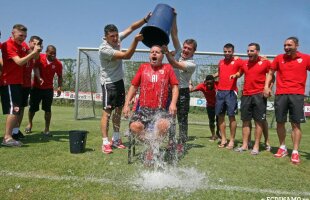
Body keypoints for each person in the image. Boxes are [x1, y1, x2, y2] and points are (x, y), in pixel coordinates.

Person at [99, 13, 151, 154]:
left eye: (116, 35)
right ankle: (105, 142)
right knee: (107, 113)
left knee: (118, 111)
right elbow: (127, 56)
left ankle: (116, 139)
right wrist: (135, 41)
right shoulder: (104, 49)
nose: (116, 38)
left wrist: (145, 20)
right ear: (106, 37)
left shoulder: (117, 40)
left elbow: (131, 28)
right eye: (112, 37)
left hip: (119, 81)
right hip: (108, 83)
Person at [122, 45, 178, 159]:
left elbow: (175, 87)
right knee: (134, 126)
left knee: (164, 124)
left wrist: (173, 103)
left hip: (160, 109)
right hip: (143, 109)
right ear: (149, 55)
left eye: (157, 52)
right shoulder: (143, 67)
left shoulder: (167, 68)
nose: (154, 54)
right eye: (152, 52)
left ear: (162, 56)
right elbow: (133, 86)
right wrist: (126, 104)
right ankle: (152, 146)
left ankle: (152, 148)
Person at [264, 36, 310, 164]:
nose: (286, 47)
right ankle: (282, 147)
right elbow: (270, 72)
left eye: (289, 45)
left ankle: (295, 152)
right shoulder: (279, 58)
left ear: (297, 46)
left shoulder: (305, 58)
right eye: (285, 45)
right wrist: (267, 87)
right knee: (280, 122)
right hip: (281, 94)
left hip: (297, 95)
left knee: (296, 123)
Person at [1, 24, 41, 147]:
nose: (22, 38)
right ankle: (7, 138)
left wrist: (36, 49)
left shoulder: (22, 45)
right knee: (14, 109)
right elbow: (19, 62)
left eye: (24, 36)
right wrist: (32, 53)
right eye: (20, 35)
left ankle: (11, 135)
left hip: (18, 82)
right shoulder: (8, 45)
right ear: (13, 33)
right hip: (9, 82)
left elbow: (35, 57)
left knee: (16, 110)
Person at [162, 12, 197, 152]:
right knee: (170, 118)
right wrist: (174, 17)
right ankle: (171, 141)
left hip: (182, 93)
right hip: (170, 91)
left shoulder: (192, 64)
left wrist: (166, 54)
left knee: (182, 119)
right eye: (185, 47)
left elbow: (175, 65)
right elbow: (174, 33)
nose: (185, 50)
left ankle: (181, 143)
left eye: (189, 49)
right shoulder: (177, 51)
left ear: (193, 52)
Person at [230, 43, 272, 155]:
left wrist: (268, 88)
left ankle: (256, 146)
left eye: (252, 51)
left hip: (259, 95)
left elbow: (272, 76)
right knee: (245, 121)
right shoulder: (244, 63)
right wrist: (236, 75)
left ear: (257, 51)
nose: (249, 53)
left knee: (259, 122)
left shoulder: (265, 62)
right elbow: (240, 72)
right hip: (246, 95)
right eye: (248, 51)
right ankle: (244, 145)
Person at [25, 45, 62, 136]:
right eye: (51, 53)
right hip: (36, 88)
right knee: (32, 108)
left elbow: (60, 76)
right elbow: (35, 67)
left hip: (48, 89)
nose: (53, 55)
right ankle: (30, 123)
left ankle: (46, 129)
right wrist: (38, 77)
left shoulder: (58, 63)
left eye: (55, 53)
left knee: (48, 110)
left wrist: (59, 87)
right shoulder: (39, 57)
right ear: (46, 52)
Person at [12, 36, 43, 140]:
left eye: (37, 44)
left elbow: (35, 63)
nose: (35, 46)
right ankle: (11, 132)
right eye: (34, 43)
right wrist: (35, 50)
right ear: (29, 42)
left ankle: (16, 131)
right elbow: (32, 55)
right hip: (17, 83)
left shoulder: (35, 54)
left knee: (21, 108)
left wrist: (38, 77)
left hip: (26, 84)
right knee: (15, 109)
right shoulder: (24, 46)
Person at [213, 43, 243, 149]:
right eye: (225, 51)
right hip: (220, 92)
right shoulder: (220, 62)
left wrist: (236, 75)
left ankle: (232, 140)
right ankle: (224, 139)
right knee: (220, 116)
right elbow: (219, 73)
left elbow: (241, 72)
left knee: (231, 116)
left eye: (229, 51)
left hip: (231, 92)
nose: (227, 53)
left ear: (233, 52)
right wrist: (211, 76)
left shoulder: (238, 61)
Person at [190, 75, 220, 141]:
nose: (209, 85)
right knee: (211, 121)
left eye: (210, 83)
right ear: (205, 82)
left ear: (214, 82)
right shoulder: (202, 86)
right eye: (207, 83)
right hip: (209, 106)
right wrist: (190, 84)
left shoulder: (218, 84)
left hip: (218, 105)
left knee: (219, 121)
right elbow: (191, 90)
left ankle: (218, 134)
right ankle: (213, 135)